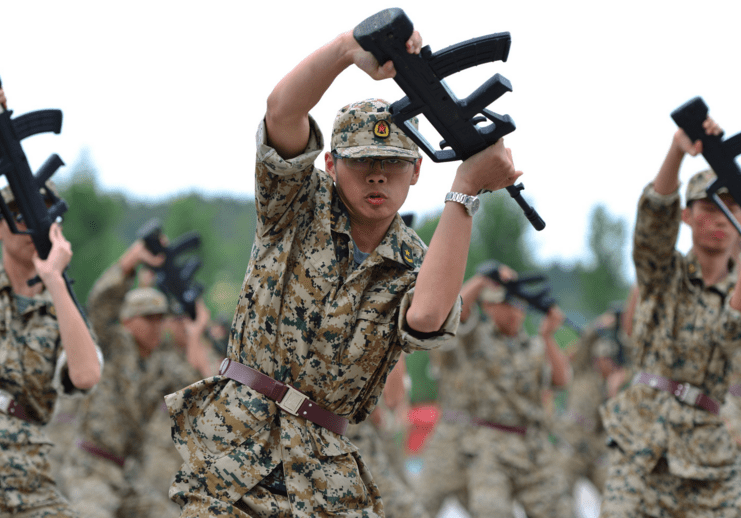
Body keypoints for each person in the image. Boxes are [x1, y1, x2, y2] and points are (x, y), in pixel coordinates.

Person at [165, 20, 521, 518]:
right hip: (234, 446)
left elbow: (427, 318)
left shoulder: (418, 258)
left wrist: (465, 189)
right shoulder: (294, 204)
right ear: (331, 164)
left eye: (393, 162)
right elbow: (282, 111)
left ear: (417, 170)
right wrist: (345, 49)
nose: (377, 174)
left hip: (326, 469)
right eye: (362, 161)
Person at [599, 118, 741, 517]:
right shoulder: (665, 273)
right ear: (687, 215)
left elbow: (733, 333)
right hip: (643, 436)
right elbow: (652, 226)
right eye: (710, 206)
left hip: (710, 450)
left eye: (731, 208)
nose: (719, 219)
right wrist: (677, 150)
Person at [0, 86, 103, 517]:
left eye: (40, 215)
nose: (28, 225)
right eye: (18, 214)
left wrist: (55, 282)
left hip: (27, 470)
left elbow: (85, 374)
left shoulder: (58, 308)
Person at [59, 240, 206, 518]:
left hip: (128, 473)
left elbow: (198, 390)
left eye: (161, 318)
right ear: (128, 320)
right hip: (90, 469)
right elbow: (101, 305)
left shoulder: (161, 362)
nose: (157, 326)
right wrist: (128, 264)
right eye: (148, 318)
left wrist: (194, 335)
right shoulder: (111, 343)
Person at [415, 265, 573, 518]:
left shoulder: (533, 346)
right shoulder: (476, 339)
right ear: (489, 307)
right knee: (483, 510)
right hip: (488, 445)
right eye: (507, 303)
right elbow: (455, 314)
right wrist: (482, 280)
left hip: (532, 445)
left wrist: (548, 336)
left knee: (560, 511)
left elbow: (561, 380)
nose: (515, 310)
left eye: (519, 304)